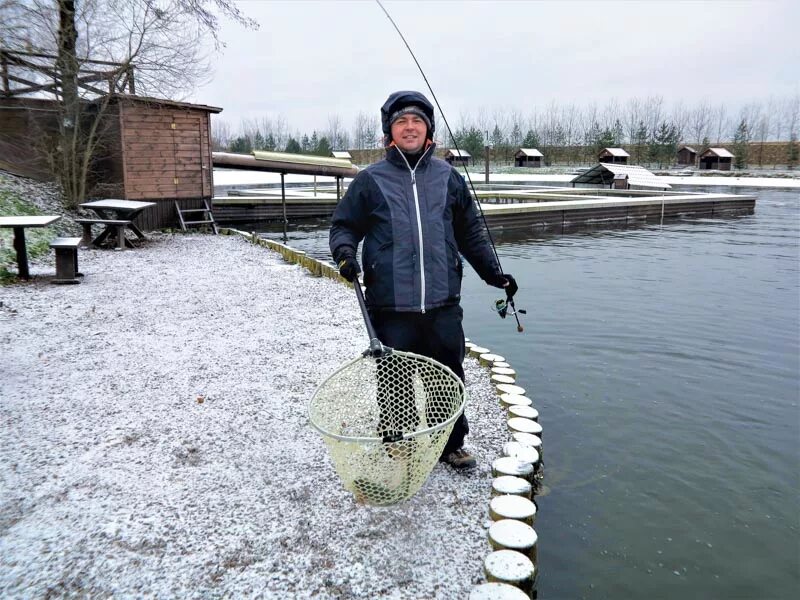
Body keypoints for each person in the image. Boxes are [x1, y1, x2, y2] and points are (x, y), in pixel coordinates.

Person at [329, 90, 517, 470]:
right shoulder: (370, 180)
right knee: (394, 381)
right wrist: (345, 255)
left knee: (446, 379)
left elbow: (471, 234)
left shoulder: (449, 178)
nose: (410, 127)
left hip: (443, 302)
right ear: (390, 132)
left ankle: (450, 444)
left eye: (417, 121)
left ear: (428, 130)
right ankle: (397, 438)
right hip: (390, 304)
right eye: (401, 122)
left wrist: (495, 274)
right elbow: (343, 227)